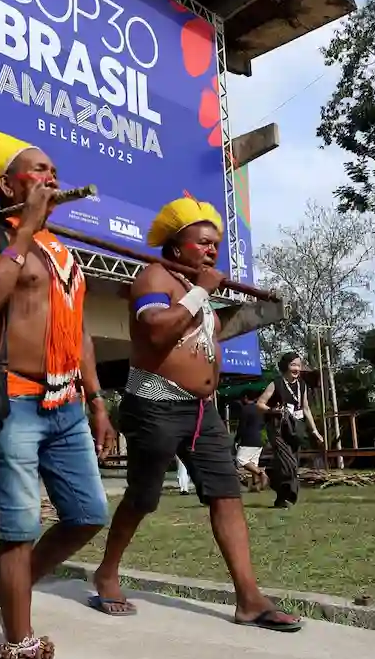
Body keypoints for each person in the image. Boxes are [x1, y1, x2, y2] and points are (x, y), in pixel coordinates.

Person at [90, 196, 301, 633]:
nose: (211, 250)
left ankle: (249, 599)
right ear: (175, 246)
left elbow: (212, 331)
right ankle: (107, 573)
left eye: (215, 245)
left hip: (202, 411)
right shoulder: (153, 277)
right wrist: (202, 289)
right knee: (143, 497)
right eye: (202, 242)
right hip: (154, 404)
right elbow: (156, 329)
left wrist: (264, 311)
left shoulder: (195, 294)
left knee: (226, 494)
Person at [0, 130, 115, 659]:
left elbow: (79, 332)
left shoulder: (62, 249)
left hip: (68, 403)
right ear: (8, 185)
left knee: (88, 514)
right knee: (20, 528)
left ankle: (12, 586)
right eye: (38, 170)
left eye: (54, 169)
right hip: (15, 402)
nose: (51, 177)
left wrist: (97, 400)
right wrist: (24, 227)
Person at [257, 352, 324, 508]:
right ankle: (289, 495)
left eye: (299, 365)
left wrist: (315, 431)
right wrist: (273, 410)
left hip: (295, 429)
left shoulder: (302, 385)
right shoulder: (276, 384)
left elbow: (306, 408)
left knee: (286, 465)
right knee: (290, 464)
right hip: (278, 429)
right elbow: (259, 404)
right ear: (286, 366)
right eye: (293, 365)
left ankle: (278, 491)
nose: (297, 369)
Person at [234, 399, 267, 492]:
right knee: (253, 463)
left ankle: (261, 474)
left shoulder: (246, 409)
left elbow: (242, 426)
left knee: (241, 459)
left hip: (248, 439)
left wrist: (237, 438)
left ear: (245, 398)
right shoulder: (261, 408)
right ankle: (255, 485)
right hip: (259, 438)